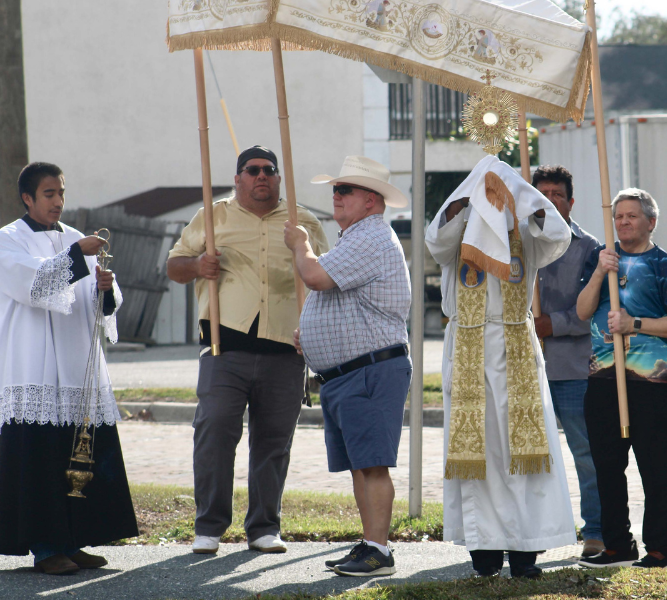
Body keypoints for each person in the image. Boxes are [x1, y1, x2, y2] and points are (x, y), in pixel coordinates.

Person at [166, 145, 328, 555]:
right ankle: (209, 526)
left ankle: (263, 527)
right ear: (237, 178)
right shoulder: (212, 215)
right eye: (251, 170)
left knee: (274, 442)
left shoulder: (302, 222)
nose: (261, 176)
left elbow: (324, 278)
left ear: (278, 178)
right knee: (215, 431)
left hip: (285, 348)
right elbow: (173, 266)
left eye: (269, 170)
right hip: (224, 346)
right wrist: (199, 264)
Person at [425, 156, 576, 578]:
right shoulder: (459, 224)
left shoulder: (522, 226)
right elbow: (435, 242)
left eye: (498, 190)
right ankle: (485, 553)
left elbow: (556, 240)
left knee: (523, 454)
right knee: (481, 452)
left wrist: (526, 199)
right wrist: (462, 202)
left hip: (514, 347)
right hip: (469, 345)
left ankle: (525, 550)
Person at [0, 162, 137, 575]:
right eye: (48, 194)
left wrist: (105, 290)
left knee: (78, 455)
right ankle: (45, 548)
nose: (58, 201)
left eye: (61, 192)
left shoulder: (76, 239)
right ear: (27, 197)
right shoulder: (9, 240)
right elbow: (35, 284)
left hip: (78, 366)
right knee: (40, 455)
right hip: (35, 365)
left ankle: (75, 541)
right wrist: (78, 257)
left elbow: (101, 308)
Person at [285, 156, 412, 577]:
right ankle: (370, 544)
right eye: (335, 189)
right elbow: (338, 296)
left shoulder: (370, 236)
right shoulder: (355, 237)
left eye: (346, 190)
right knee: (363, 463)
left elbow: (315, 277)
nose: (335, 196)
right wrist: (316, 333)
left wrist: (301, 244)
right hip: (352, 372)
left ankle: (379, 551)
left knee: (372, 463)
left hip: (369, 370)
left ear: (372, 201)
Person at [576, 188, 667, 570]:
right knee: (607, 464)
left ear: (650, 222)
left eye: (631, 216)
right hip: (604, 376)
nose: (623, 222)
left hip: (650, 379)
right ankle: (617, 545)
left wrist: (634, 324)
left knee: (654, 465)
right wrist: (598, 271)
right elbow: (581, 311)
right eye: (618, 217)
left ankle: (660, 549)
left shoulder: (665, 266)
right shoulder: (602, 260)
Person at [531, 165, 603, 558]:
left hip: (574, 370)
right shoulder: (520, 243)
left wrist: (550, 324)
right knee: (531, 458)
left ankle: (595, 531)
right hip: (528, 369)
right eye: (542, 194)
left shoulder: (589, 248)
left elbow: (590, 312)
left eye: (557, 194)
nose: (550, 201)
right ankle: (535, 535)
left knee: (586, 454)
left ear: (571, 201)